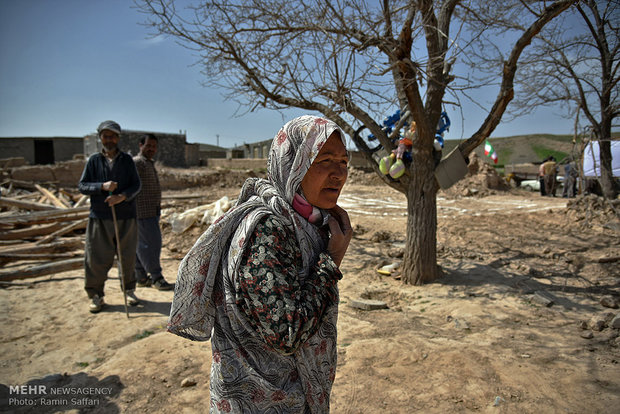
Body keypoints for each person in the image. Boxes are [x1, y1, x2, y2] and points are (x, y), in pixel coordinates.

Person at [168, 115, 352, 413]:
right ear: (293, 164)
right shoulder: (267, 231)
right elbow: (286, 333)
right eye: (324, 160)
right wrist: (330, 261)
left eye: (343, 162)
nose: (339, 174)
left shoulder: (307, 223)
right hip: (261, 400)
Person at [78, 120, 142, 313]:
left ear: (118, 138)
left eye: (113, 136)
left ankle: (129, 290)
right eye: (106, 136)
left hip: (126, 217)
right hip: (100, 217)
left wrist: (122, 196)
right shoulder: (94, 161)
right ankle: (96, 295)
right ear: (100, 138)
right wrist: (102, 187)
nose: (109, 139)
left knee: (127, 256)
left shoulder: (127, 161)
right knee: (97, 258)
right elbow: (82, 186)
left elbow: (136, 185)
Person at [133, 134, 173, 291]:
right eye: (148, 146)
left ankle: (141, 277)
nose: (151, 149)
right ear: (140, 145)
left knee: (141, 246)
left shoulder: (148, 163)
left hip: (151, 211)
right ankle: (157, 278)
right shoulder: (137, 163)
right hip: (142, 212)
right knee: (151, 246)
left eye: (154, 146)